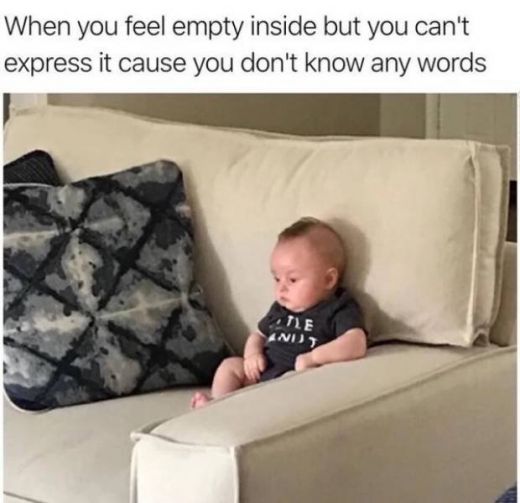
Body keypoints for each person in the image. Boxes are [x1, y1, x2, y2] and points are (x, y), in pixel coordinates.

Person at [191, 217, 367, 408]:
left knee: (295, 384)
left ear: (328, 280)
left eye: (292, 280)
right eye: (276, 279)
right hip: (262, 373)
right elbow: (258, 335)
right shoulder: (279, 309)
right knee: (230, 365)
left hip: (294, 377)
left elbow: (356, 343)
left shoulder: (337, 307)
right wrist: (252, 355)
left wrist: (314, 358)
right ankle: (217, 406)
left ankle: (233, 408)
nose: (281, 288)